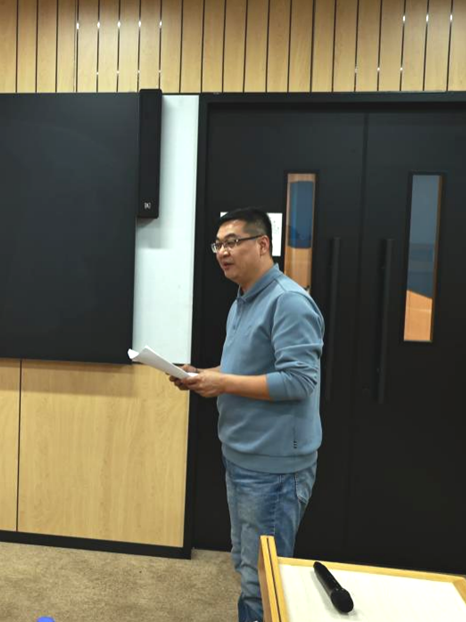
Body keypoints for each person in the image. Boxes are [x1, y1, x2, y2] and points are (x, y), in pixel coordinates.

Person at [171, 208, 324, 622]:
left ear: (263, 244)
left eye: (233, 242)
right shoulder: (243, 299)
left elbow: (298, 381)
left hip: (275, 467)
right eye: (218, 244)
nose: (223, 252)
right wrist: (203, 375)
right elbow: (246, 369)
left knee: (262, 581)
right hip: (241, 454)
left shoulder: (288, 302)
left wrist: (221, 383)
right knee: (245, 562)